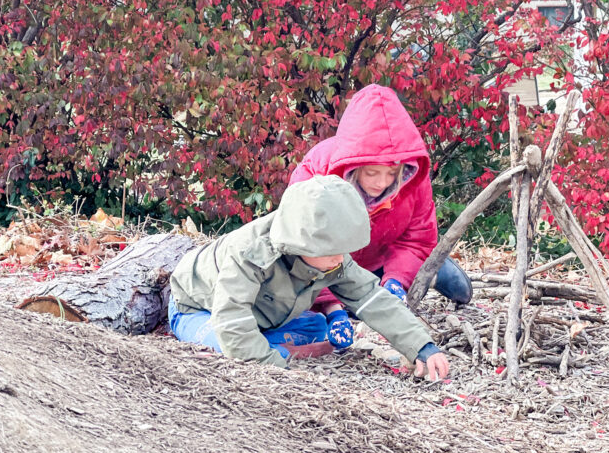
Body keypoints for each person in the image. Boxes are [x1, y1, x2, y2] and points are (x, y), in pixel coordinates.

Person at [168, 175, 450, 380]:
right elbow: (230, 318)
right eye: (332, 252)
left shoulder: (329, 253)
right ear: (301, 242)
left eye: (344, 251)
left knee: (319, 329)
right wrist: (277, 370)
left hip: (262, 315)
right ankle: (270, 346)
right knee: (226, 344)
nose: (340, 260)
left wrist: (421, 346)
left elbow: (371, 298)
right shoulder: (249, 253)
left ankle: (271, 343)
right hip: (200, 309)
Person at [288, 84, 472, 350]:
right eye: (372, 173)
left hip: (383, 258)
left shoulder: (414, 177)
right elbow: (302, 246)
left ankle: (431, 270)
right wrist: (332, 308)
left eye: (391, 173)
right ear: (354, 165)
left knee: (429, 272)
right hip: (329, 265)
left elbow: (417, 239)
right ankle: (348, 300)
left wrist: (396, 283)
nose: (382, 183)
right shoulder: (317, 171)